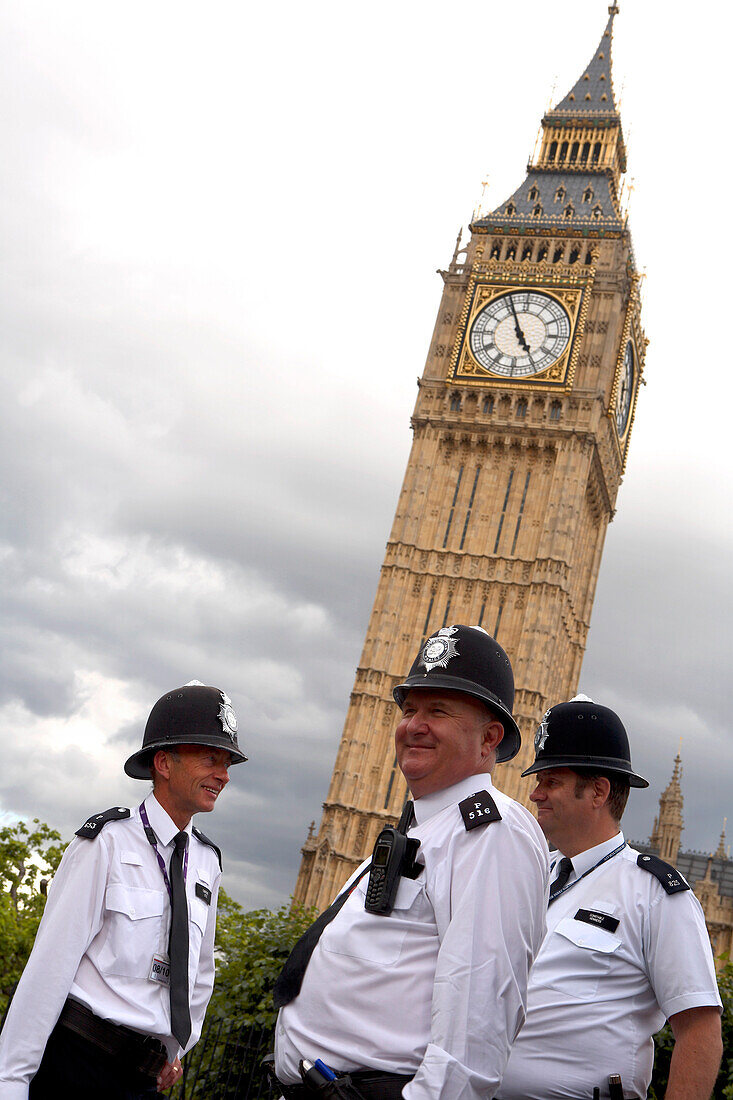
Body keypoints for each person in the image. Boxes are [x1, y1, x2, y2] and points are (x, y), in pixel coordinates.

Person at [272, 625, 550, 1100]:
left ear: (489, 739)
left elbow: (479, 1015)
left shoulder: (490, 832)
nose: (413, 725)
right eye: (410, 709)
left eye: (438, 710)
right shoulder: (425, 829)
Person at [0, 680, 247, 1099]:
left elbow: (199, 973)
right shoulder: (106, 842)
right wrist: (10, 1081)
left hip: (141, 1079)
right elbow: (50, 965)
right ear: (164, 764)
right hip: (75, 1065)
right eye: (210, 759)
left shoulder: (207, 861)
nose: (223, 775)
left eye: (226, 763)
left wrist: (174, 1047)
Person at [497, 696, 723, 1100]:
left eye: (551, 782)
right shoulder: (532, 875)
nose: (536, 795)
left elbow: (700, 1029)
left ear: (598, 791)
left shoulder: (652, 893)